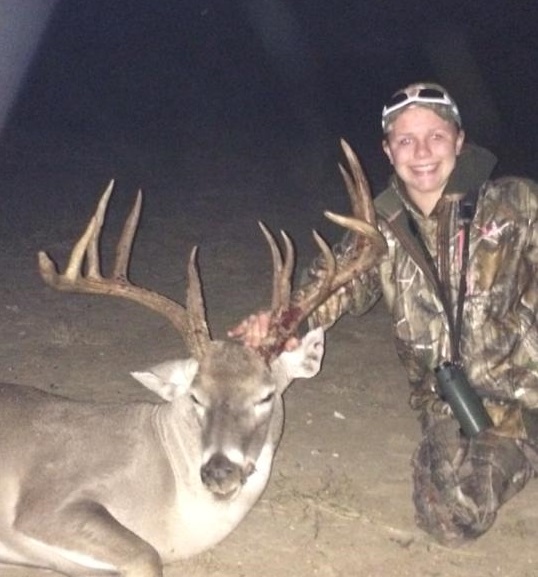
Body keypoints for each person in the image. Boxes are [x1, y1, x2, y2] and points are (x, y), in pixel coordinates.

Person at [229, 82, 538, 546]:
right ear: (388, 151)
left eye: (435, 136)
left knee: (466, 504)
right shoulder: (377, 231)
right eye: (405, 140)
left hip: (524, 403)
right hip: (446, 405)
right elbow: (329, 289)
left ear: (459, 141)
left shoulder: (518, 204)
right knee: (448, 518)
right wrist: (278, 323)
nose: (422, 152)